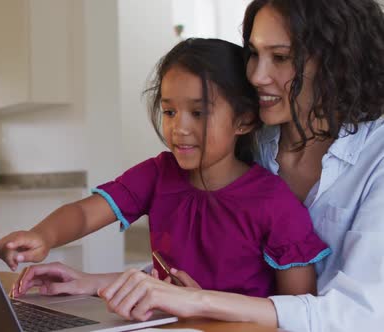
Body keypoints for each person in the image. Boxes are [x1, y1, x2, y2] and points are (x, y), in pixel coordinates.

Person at [39, 1, 384, 331]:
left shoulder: (377, 157)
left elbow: (361, 315)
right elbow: (217, 259)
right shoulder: (251, 141)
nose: (257, 75)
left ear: (338, 62)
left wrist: (200, 301)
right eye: (253, 54)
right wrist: (101, 283)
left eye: (280, 57)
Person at [0, 38, 330, 299]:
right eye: (169, 112)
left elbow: (298, 308)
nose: (179, 128)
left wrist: (206, 305)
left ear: (244, 119)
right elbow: (84, 214)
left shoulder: (274, 203)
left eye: (198, 113)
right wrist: (42, 236)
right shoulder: (157, 174)